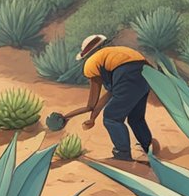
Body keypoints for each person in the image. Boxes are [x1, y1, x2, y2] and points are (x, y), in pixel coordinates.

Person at [61, 34, 160, 163]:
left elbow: (91, 104)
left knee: (112, 117)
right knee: (136, 117)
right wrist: (92, 118)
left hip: (125, 74)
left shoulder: (92, 62)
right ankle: (148, 146)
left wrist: (67, 116)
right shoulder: (113, 54)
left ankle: (122, 154)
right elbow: (111, 93)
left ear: (87, 54)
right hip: (145, 73)